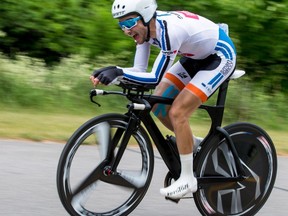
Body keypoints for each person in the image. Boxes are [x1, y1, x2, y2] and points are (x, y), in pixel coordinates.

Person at [90, 0, 236, 200]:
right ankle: (193, 145)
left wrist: (118, 72)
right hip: (195, 57)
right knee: (158, 106)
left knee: (178, 112)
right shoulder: (145, 32)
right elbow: (139, 70)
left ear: (146, 15)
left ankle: (188, 179)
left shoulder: (168, 31)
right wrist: (113, 72)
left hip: (220, 56)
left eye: (130, 22)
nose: (126, 30)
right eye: (121, 25)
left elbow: (154, 78)